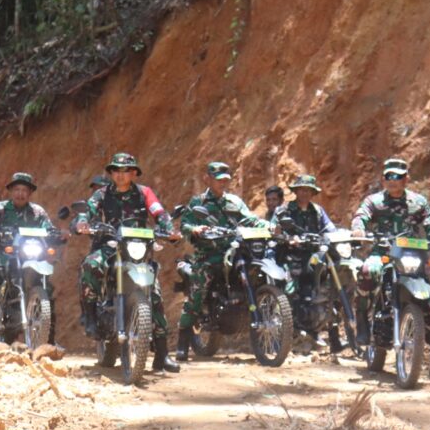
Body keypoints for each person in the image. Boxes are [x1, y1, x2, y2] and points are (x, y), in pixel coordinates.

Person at [73, 153, 182, 373]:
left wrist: (169, 229)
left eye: (125, 171)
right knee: (90, 265)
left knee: (155, 293)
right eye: (116, 171)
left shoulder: (144, 192)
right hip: (110, 244)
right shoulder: (102, 194)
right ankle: (90, 316)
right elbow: (89, 209)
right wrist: (82, 222)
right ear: (111, 173)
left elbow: (159, 212)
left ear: (134, 173)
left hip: (138, 247)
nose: (120, 175)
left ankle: (162, 354)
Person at [350, 158, 430, 377]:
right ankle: (362, 320)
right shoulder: (374, 201)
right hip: (383, 252)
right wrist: (358, 230)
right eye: (389, 176)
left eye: (398, 177)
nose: (393, 180)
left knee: (429, 302)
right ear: (383, 179)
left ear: (406, 179)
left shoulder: (418, 202)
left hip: (411, 253)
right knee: (368, 271)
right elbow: (361, 216)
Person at [175, 161, 271, 360]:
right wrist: (195, 229)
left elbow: (249, 219)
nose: (222, 183)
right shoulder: (199, 202)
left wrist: (266, 225)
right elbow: (185, 224)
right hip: (209, 254)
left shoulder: (234, 202)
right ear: (207, 179)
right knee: (198, 290)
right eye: (218, 179)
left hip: (235, 252)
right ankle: (182, 342)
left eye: (226, 180)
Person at [0, 172, 55, 331]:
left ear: (30, 193)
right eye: (17, 189)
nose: (20, 194)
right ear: (11, 191)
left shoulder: (37, 211)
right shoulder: (0, 208)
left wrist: (58, 234)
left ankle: (49, 335)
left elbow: (49, 228)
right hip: (7, 253)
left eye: (24, 190)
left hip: (31, 255)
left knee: (47, 288)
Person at [272, 175, 340, 350]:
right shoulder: (284, 210)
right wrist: (288, 238)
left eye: (308, 190)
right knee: (290, 290)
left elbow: (329, 229)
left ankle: (325, 334)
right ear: (295, 191)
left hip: (313, 256)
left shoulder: (318, 211)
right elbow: (274, 231)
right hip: (289, 257)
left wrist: (334, 237)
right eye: (301, 189)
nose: (305, 193)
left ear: (313, 193)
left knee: (327, 287)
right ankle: (286, 334)